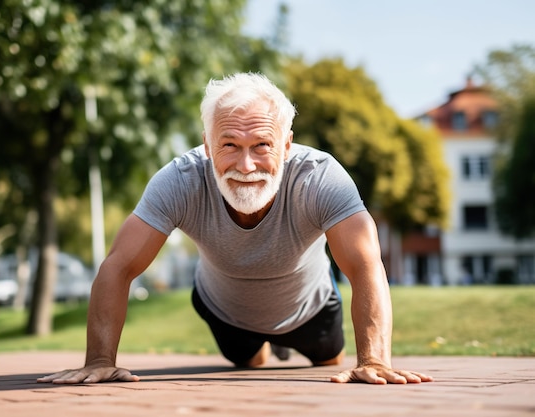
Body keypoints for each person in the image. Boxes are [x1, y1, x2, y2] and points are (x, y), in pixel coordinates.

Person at [38, 73, 432, 385]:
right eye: (229, 145)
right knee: (248, 363)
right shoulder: (180, 180)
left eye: (262, 145)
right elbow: (118, 266)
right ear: (208, 145)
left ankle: (289, 344)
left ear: (287, 145)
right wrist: (101, 361)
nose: (246, 166)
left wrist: (375, 359)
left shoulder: (321, 178)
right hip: (225, 310)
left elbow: (366, 265)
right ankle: (263, 348)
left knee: (330, 359)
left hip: (309, 308)